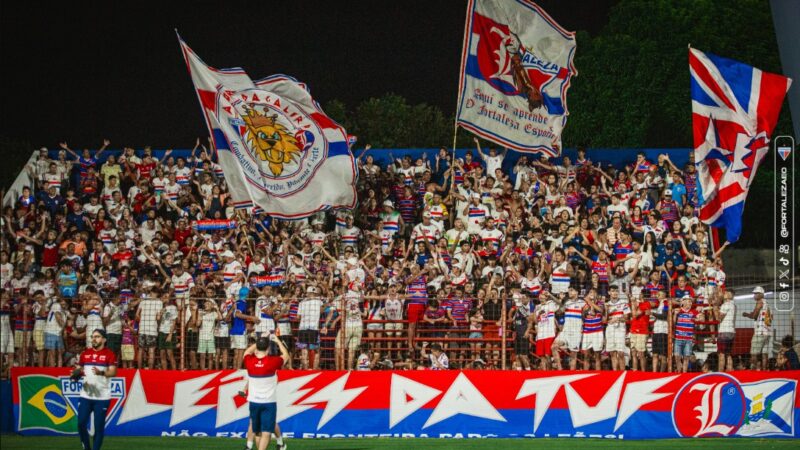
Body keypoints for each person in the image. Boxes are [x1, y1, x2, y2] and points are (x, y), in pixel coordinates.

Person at [71, 328, 117, 450]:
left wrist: (101, 373)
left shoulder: (109, 354)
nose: (94, 339)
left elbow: (113, 372)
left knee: (99, 427)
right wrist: (75, 375)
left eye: (97, 336)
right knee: (81, 424)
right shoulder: (85, 354)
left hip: (102, 397)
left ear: (104, 339)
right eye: (92, 336)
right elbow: (79, 370)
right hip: (85, 396)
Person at [243, 335, 290, 450]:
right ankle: (279, 444)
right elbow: (286, 356)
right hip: (268, 403)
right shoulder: (273, 362)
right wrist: (278, 341)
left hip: (254, 402)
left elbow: (247, 351)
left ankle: (250, 446)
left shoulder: (249, 361)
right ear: (268, 348)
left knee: (257, 431)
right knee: (266, 432)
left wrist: (261, 339)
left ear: (257, 348)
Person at [743, 286, 772, 370]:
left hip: (760, 332)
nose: (754, 295)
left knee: (753, 354)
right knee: (764, 353)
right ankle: (765, 371)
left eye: (756, 293)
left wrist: (746, 314)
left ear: (761, 294)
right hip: (767, 332)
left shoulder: (760, 302)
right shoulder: (767, 303)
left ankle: (756, 370)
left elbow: (754, 315)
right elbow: (758, 315)